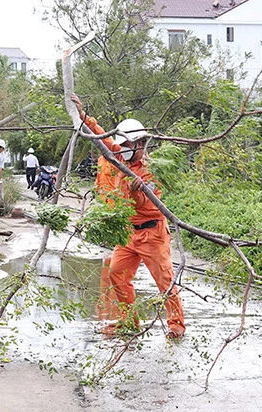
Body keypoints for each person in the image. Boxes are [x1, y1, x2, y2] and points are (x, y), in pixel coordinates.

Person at [71, 94, 185, 339]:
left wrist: (137, 193)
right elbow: (102, 137)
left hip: (152, 233)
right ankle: (128, 321)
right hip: (128, 233)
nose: (123, 149)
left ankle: (176, 325)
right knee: (116, 272)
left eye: (131, 146)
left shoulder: (151, 171)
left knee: (164, 280)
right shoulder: (120, 154)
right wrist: (82, 116)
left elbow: (151, 205)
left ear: (140, 144)